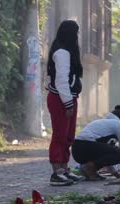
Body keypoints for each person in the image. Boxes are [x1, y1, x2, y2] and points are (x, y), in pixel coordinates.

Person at [46, 20, 84, 186]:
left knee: (68, 136)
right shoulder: (62, 53)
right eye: (75, 33)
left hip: (68, 98)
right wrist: (68, 104)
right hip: (61, 99)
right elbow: (61, 80)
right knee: (60, 135)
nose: (77, 37)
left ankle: (64, 168)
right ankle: (56, 172)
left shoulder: (66, 52)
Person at [72, 106, 120, 180]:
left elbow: (107, 154)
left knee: (113, 151)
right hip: (86, 146)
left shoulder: (104, 123)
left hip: (76, 150)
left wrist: (115, 174)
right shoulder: (118, 125)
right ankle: (89, 168)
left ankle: (88, 170)